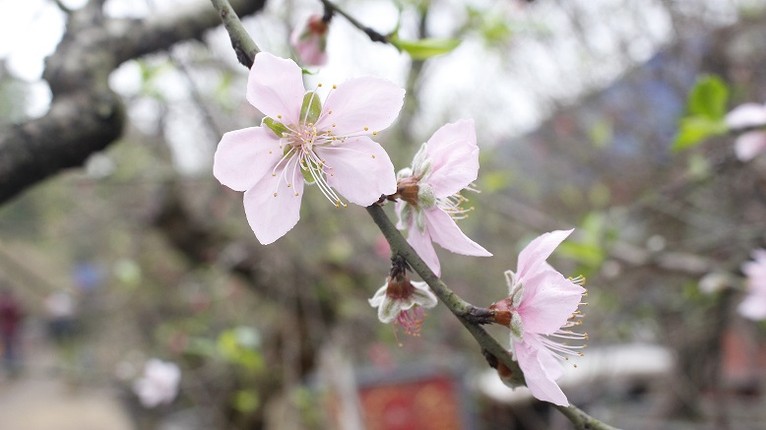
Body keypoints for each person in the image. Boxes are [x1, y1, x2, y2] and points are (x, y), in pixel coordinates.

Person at [0, 287, 23, 375]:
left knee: (9, 348)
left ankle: (12, 368)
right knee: (13, 348)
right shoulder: (13, 303)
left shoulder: (4, 304)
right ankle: (15, 367)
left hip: (7, 328)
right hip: (12, 328)